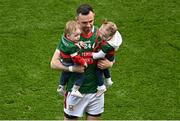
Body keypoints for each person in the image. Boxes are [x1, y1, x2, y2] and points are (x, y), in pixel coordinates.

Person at [51, 4, 121, 120]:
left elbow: (110, 55)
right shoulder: (70, 37)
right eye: (84, 23)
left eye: (91, 21)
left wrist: (110, 64)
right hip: (75, 91)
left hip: (96, 92)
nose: (88, 25)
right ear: (76, 20)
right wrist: (72, 69)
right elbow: (53, 63)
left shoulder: (102, 33)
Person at [56, 20, 87, 98]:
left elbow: (73, 42)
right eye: (76, 36)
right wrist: (83, 62)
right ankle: (75, 89)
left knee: (65, 73)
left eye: (79, 35)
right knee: (81, 74)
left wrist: (78, 43)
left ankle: (61, 86)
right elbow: (76, 58)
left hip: (64, 60)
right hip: (70, 61)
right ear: (69, 35)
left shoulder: (64, 37)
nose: (78, 37)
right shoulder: (72, 47)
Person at [92, 20, 122, 97]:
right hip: (109, 57)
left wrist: (92, 55)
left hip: (106, 57)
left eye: (103, 36)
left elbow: (100, 55)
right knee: (104, 67)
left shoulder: (107, 45)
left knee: (98, 69)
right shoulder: (112, 38)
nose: (99, 34)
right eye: (100, 30)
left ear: (109, 37)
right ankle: (108, 80)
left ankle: (101, 87)